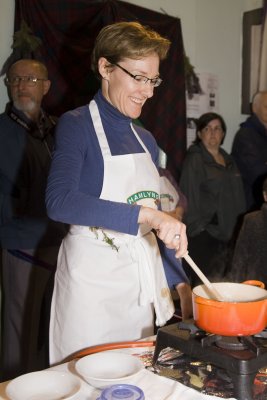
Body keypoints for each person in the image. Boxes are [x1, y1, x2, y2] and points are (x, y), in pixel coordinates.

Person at [46, 21, 188, 365]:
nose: (148, 91)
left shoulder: (147, 140)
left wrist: (179, 283)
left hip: (137, 294)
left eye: (152, 80)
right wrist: (148, 215)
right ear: (105, 67)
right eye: (138, 77)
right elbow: (58, 201)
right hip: (90, 295)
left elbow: (155, 226)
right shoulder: (76, 125)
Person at [0, 59, 67, 381]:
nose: (21, 85)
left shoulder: (57, 129)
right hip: (20, 242)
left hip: (60, 240)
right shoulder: (1, 130)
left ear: (46, 86)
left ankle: (48, 385)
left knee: (54, 324)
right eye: (15, 79)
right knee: (20, 329)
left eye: (30, 79)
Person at [179, 112, 246, 287]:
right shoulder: (195, 160)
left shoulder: (229, 159)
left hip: (229, 236)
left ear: (223, 134)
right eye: (207, 129)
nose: (213, 133)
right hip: (205, 237)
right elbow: (188, 197)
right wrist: (200, 229)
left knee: (225, 286)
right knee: (205, 288)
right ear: (200, 134)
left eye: (217, 129)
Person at [158, 167, 192, 320]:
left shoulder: (165, 173)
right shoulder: (137, 175)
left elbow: (182, 199)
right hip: (156, 233)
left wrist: (177, 213)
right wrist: (164, 217)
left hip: (174, 232)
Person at [232, 91, 267, 211]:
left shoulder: (263, 133)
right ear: (254, 108)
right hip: (252, 202)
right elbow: (259, 174)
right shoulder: (245, 135)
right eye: (266, 106)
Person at [229, 175, 267, 287]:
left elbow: (238, 263)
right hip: (255, 291)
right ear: (265, 196)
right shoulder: (251, 220)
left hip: (255, 292)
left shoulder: (251, 220)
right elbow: (239, 261)